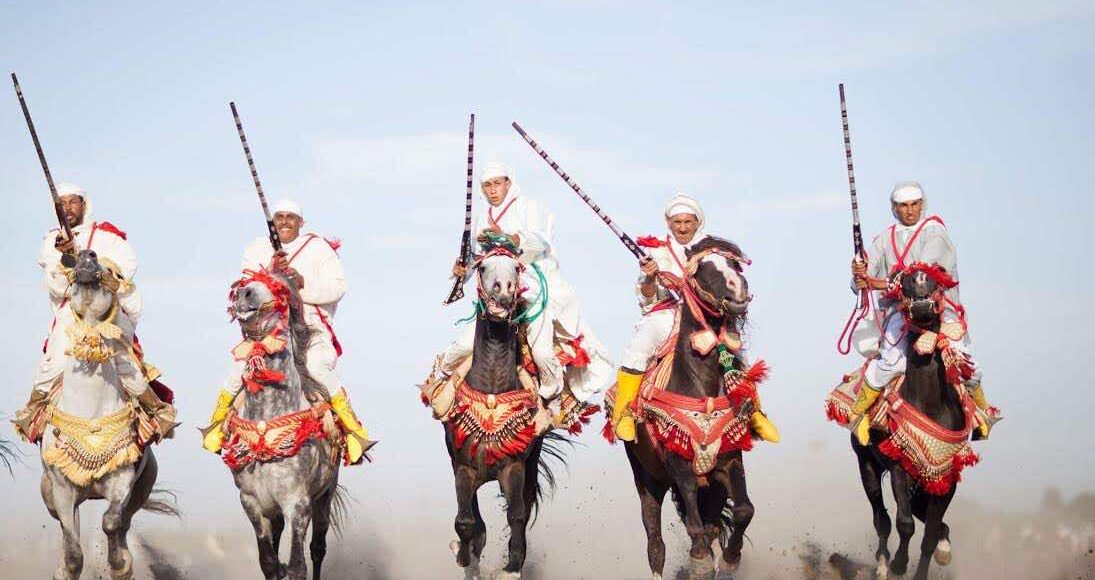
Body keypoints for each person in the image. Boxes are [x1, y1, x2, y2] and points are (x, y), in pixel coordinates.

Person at [201, 199, 375, 463]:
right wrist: (271, 273)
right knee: (238, 371)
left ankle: (353, 430)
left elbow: (338, 287)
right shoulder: (257, 248)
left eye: (290, 217)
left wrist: (300, 282)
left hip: (311, 331)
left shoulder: (318, 248)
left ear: (301, 222)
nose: (284, 221)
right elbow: (245, 292)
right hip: (268, 334)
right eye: (279, 217)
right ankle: (216, 426)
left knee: (317, 369)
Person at [442, 162, 612, 413]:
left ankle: (552, 401)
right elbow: (475, 260)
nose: (492, 190)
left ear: (509, 183)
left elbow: (542, 238)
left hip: (531, 287)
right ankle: (441, 388)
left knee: (542, 354)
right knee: (463, 346)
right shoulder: (481, 219)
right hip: (492, 297)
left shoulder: (529, 206)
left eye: (497, 183)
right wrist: (462, 270)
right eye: (487, 186)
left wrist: (514, 239)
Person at [609, 193, 780, 442]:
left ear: (698, 222)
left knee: (735, 351)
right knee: (640, 344)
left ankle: (754, 413)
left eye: (688, 222)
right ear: (668, 223)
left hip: (704, 314)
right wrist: (649, 276)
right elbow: (646, 297)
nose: (682, 227)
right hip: (668, 313)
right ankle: (624, 412)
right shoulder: (657, 250)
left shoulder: (713, 248)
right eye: (677, 222)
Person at [15, 182, 173, 441]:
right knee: (52, 364)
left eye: (72, 202)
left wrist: (97, 270)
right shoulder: (51, 243)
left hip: (105, 313)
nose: (67, 208)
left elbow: (124, 275)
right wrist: (66, 259)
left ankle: (154, 411)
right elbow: (57, 287)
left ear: (84, 205)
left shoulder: (107, 238)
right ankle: (33, 412)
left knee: (125, 363)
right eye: (61, 204)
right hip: (72, 313)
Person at [848, 181, 998, 443]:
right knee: (892, 361)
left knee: (964, 361)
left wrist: (881, 281)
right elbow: (863, 279)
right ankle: (859, 414)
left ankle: (982, 415)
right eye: (903, 206)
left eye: (915, 204)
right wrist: (859, 276)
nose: (909, 211)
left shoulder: (935, 233)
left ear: (922, 204)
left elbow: (922, 274)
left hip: (940, 313)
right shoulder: (885, 239)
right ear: (894, 208)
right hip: (901, 315)